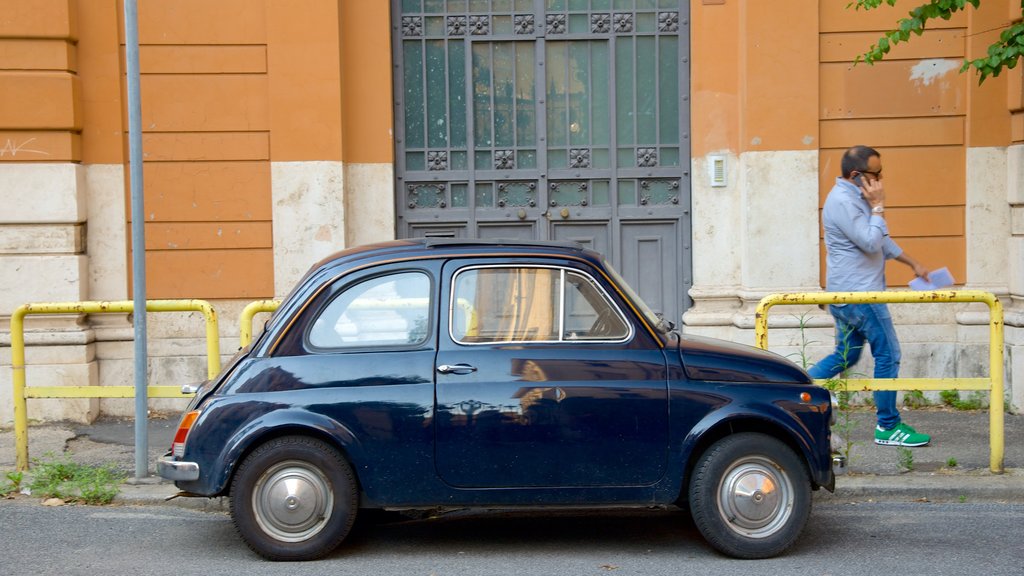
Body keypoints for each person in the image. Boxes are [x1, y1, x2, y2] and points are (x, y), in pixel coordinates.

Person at [809, 145, 932, 447]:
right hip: (862, 296)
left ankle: (798, 393)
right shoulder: (842, 201)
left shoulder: (856, 197)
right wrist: (878, 206)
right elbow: (868, 240)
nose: (880, 180)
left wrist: (913, 263)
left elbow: (882, 242)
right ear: (856, 175)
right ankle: (888, 427)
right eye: (876, 174)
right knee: (889, 354)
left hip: (848, 295)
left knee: (846, 355)